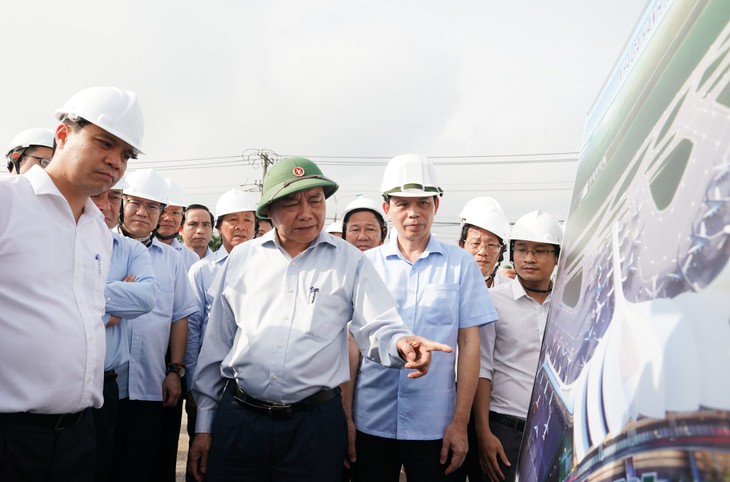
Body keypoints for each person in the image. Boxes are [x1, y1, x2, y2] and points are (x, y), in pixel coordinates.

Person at [188, 157, 452, 482]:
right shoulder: (242, 259)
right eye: (292, 203)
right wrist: (204, 425)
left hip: (313, 425)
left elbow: (378, 323)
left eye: (315, 201)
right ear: (269, 210)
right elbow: (216, 346)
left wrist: (401, 343)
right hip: (241, 419)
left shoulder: (349, 261)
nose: (307, 212)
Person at [0, 86, 143, 481]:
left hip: (79, 435)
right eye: (104, 143)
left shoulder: (98, 228)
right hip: (11, 437)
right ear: (63, 135)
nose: (115, 161)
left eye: (126, 154)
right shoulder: (8, 202)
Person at [351, 153, 498, 482]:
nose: (413, 214)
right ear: (387, 208)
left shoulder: (460, 265)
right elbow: (352, 344)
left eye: (422, 203)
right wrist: (346, 416)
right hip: (371, 419)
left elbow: (470, 344)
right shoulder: (366, 265)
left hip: (435, 425)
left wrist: (460, 424)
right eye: (402, 204)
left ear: (436, 205)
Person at [113, 168, 197, 482]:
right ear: (121, 203)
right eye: (135, 203)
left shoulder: (172, 259)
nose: (142, 212)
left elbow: (179, 316)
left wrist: (175, 370)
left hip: (151, 383)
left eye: (152, 206)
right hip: (106, 385)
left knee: (146, 466)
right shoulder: (101, 249)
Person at [474, 210, 562, 482]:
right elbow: (482, 371)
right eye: (521, 249)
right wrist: (484, 434)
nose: (529, 258)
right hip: (505, 430)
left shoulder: (568, 302)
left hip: (555, 432)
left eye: (540, 250)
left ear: (557, 256)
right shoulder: (492, 302)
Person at [184, 188, 259, 478]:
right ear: (219, 228)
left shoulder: (271, 268)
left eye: (247, 220)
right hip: (210, 382)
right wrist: (193, 384)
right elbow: (192, 331)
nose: (240, 226)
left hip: (250, 386)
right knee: (202, 454)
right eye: (232, 220)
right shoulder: (202, 271)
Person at [89, 176, 158, 482]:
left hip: (106, 384)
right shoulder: (52, 241)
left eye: (114, 197)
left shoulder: (132, 251)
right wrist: (110, 310)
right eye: (96, 196)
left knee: (104, 465)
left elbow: (145, 298)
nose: (105, 206)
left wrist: (78, 299)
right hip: (56, 378)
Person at [453, 197, 512, 482]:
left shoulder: (507, 293)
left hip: (492, 411)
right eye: (475, 243)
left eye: (492, 245)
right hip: (446, 406)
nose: (483, 252)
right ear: (462, 243)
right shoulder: (444, 285)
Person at [338, 195, 389, 480]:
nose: (362, 236)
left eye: (370, 228)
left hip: (372, 401)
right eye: (355, 229)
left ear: (382, 234)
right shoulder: (328, 269)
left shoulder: (386, 273)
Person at [157, 177, 199, 270]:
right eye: (163, 211)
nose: (168, 218)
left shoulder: (192, 259)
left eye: (175, 213)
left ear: (183, 218)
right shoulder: (137, 250)